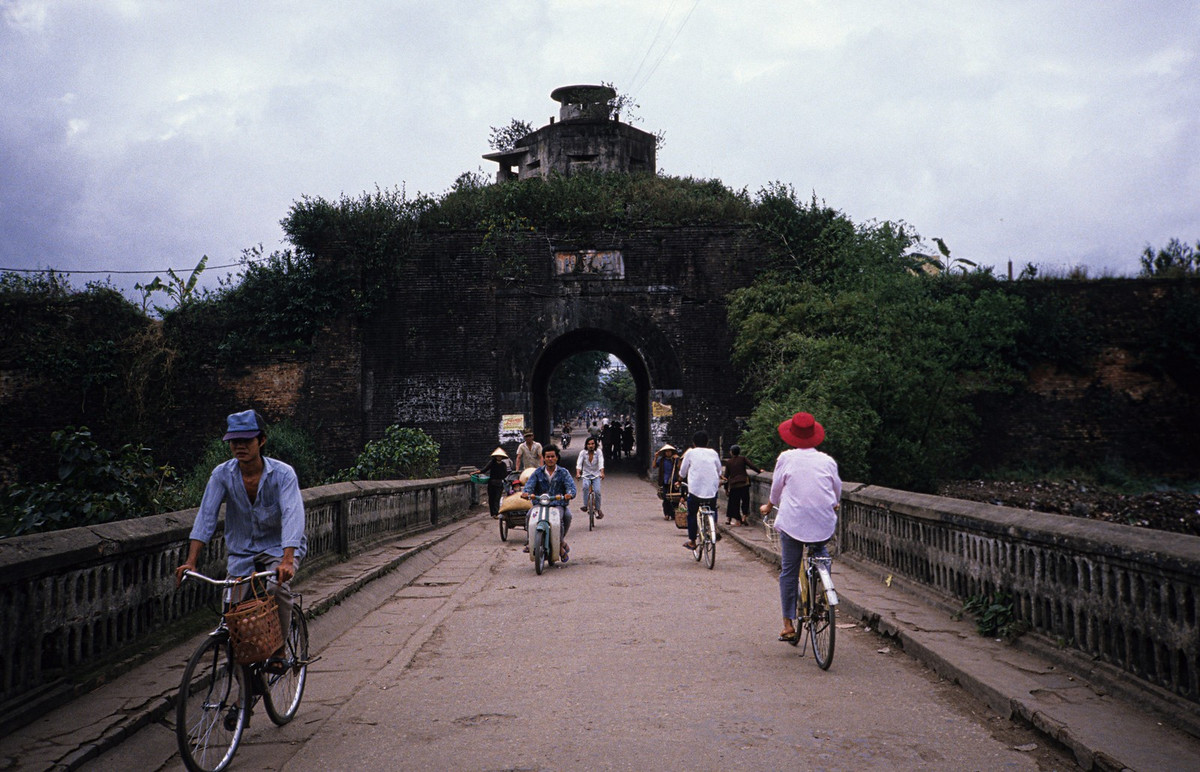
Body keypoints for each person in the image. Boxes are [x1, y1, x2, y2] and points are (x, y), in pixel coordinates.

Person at [175, 409, 307, 660]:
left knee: (276, 588)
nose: (240, 446)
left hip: (278, 549)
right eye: (235, 441)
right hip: (242, 554)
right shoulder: (222, 474)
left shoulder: (283, 474)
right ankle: (244, 681)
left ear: (261, 440)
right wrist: (191, 561)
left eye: (247, 440)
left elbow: (293, 514)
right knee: (232, 620)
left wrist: (288, 560)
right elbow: (206, 517)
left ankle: (279, 650)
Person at [759, 412, 841, 644]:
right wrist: (834, 503)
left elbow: (776, 488)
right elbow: (836, 489)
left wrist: (769, 506)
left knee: (789, 570)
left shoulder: (786, 458)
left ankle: (788, 625)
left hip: (793, 522)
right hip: (822, 522)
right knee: (820, 551)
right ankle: (824, 588)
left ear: (792, 435)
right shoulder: (827, 460)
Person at [521, 444, 577, 560]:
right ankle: (530, 541)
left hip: (558, 504)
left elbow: (571, 487)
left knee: (565, 517)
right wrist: (526, 493)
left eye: (552, 456)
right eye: (547, 457)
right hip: (540, 504)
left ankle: (560, 542)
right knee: (529, 515)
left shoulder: (563, 472)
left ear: (557, 458)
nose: (550, 459)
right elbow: (529, 486)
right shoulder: (537, 472)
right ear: (544, 458)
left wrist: (569, 494)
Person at [678, 430, 722, 550]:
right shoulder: (713, 453)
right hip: (711, 491)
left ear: (694, 443)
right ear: (707, 442)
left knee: (692, 514)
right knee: (712, 508)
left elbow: (683, 471)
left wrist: (679, 480)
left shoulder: (690, 453)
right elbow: (719, 470)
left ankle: (692, 541)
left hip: (695, 492)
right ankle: (713, 527)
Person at [722, 445, 761, 526]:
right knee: (745, 501)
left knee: (734, 503)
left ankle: (737, 520)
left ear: (731, 452)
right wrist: (759, 471)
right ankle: (744, 516)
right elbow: (752, 466)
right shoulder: (743, 459)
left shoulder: (729, 462)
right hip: (744, 483)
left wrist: (726, 489)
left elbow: (726, 477)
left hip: (734, 485)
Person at [575, 435, 606, 519]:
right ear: (586, 445)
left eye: (592, 444)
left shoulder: (598, 452)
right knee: (585, 487)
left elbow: (601, 462)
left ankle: (598, 509)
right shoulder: (582, 453)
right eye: (589, 444)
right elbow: (579, 464)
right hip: (586, 475)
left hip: (596, 475)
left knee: (597, 491)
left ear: (595, 445)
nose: (591, 446)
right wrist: (578, 473)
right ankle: (585, 505)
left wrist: (602, 472)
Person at [477, 447, 511, 518]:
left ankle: (497, 512)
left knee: (497, 498)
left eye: (500, 456)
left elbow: (505, 474)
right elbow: (484, 469)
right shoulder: (492, 463)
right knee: (491, 498)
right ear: (495, 456)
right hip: (492, 483)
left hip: (499, 483)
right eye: (497, 456)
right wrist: (476, 472)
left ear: (502, 457)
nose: (499, 457)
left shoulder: (503, 464)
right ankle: (493, 513)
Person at [651, 444, 680, 520]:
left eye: (669, 451)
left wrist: (678, 459)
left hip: (674, 482)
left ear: (672, 452)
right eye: (666, 451)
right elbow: (654, 466)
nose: (668, 453)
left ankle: (673, 514)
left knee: (675, 499)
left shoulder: (675, 460)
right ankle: (666, 514)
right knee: (666, 498)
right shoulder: (662, 460)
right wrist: (656, 457)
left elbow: (680, 467)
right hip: (665, 481)